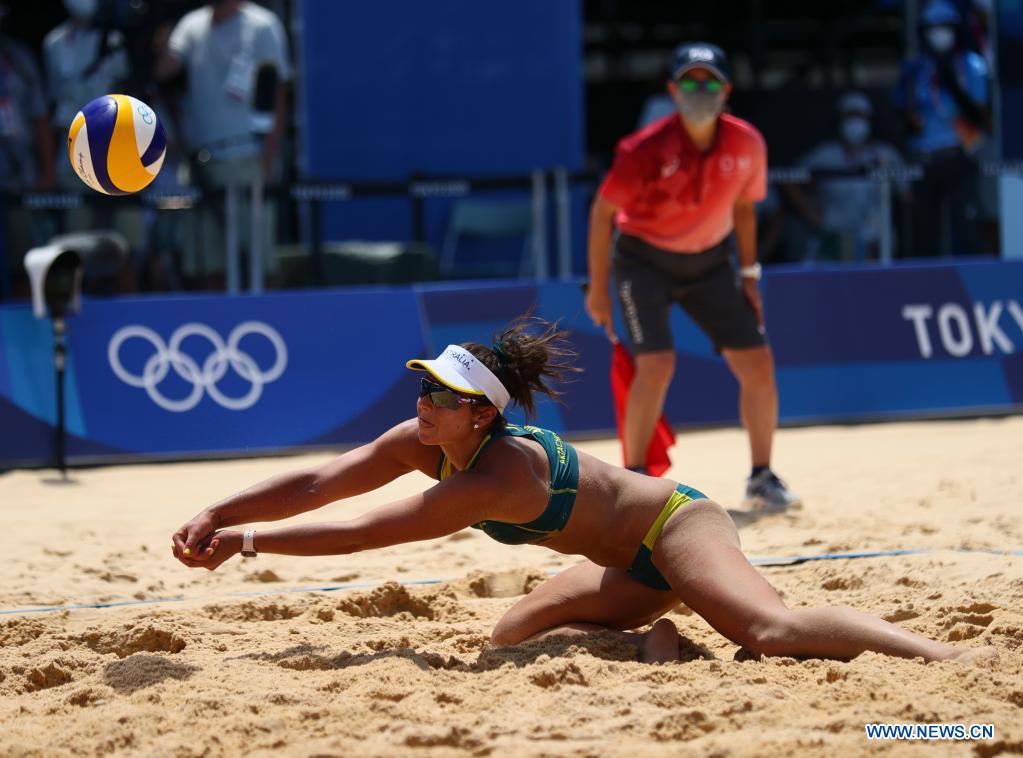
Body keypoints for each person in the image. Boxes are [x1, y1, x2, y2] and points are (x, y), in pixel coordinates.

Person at [171, 316, 994, 666]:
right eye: (423, 386)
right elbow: (320, 482)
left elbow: (362, 534)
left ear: (480, 414)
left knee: (769, 632)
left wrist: (246, 544)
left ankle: (947, 659)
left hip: (676, 527)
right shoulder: (424, 440)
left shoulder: (497, 473)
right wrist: (220, 511)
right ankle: (662, 646)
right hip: (626, 565)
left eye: (441, 395)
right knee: (509, 636)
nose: (422, 402)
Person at [584, 42, 799, 510]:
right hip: (643, 261)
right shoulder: (644, 148)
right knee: (656, 365)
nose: (700, 89)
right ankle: (635, 482)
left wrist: (749, 275)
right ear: (672, 90)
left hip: (710, 263)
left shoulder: (747, 143)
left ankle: (762, 477)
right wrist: (598, 289)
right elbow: (602, 212)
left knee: (758, 363)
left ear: (727, 90)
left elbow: (745, 208)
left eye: (709, 81)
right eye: (689, 80)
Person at [154, 0, 290, 289]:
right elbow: (164, 70)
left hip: (245, 157)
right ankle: (216, 316)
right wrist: (156, 37)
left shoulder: (262, 25)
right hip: (201, 160)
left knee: (258, 260)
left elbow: (278, 96)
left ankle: (264, 314)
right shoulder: (191, 24)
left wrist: (268, 158)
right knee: (207, 263)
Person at [895, 0, 990, 258]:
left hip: (959, 155)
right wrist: (909, 119)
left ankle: (975, 280)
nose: (939, 33)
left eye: (945, 27)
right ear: (923, 32)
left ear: (956, 29)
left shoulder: (971, 64)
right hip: (923, 159)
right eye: (933, 28)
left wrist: (952, 84)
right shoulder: (914, 69)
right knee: (924, 234)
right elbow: (902, 115)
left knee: (968, 230)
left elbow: (981, 116)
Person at [786, 92, 910, 262]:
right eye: (850, 116)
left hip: (874, 238)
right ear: (840, 120)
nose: (855, 121)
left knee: (874, 274)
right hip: (832, 234)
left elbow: (906, 195)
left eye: (860, 115)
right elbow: (788, 178)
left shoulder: (886, 153)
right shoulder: (825, 154)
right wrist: (810, 214)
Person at [0, 1, 56, 299]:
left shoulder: (18, 58)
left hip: (19, 178)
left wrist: (47, 170)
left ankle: (27, 319)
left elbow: (40, 117)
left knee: (23, 261)